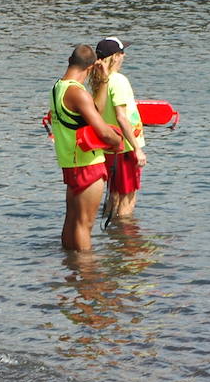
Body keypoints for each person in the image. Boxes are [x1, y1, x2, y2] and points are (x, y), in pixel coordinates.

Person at [51, 44, 124, 251]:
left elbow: (94, 111)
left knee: (72, 221)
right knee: (85, 224)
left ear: (69, 61)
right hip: (88, 164)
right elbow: (103, 131)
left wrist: (103, 82)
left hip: (70, 164)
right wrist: (118, 140)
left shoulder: (58, 87)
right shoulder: (78, 93)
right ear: (90, 68)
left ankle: (71, 270)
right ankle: (88, 274)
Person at [88, 36, 147, 221]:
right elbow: (121, 117)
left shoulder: (98, 82)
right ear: (114, 57)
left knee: (113, 193)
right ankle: (125, 238)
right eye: (122, 53)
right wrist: (137, 149)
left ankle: (112, 236)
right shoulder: (119, 81)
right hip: (126, 147)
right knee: (127, 196)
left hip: (109, 147)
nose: (124, 56)